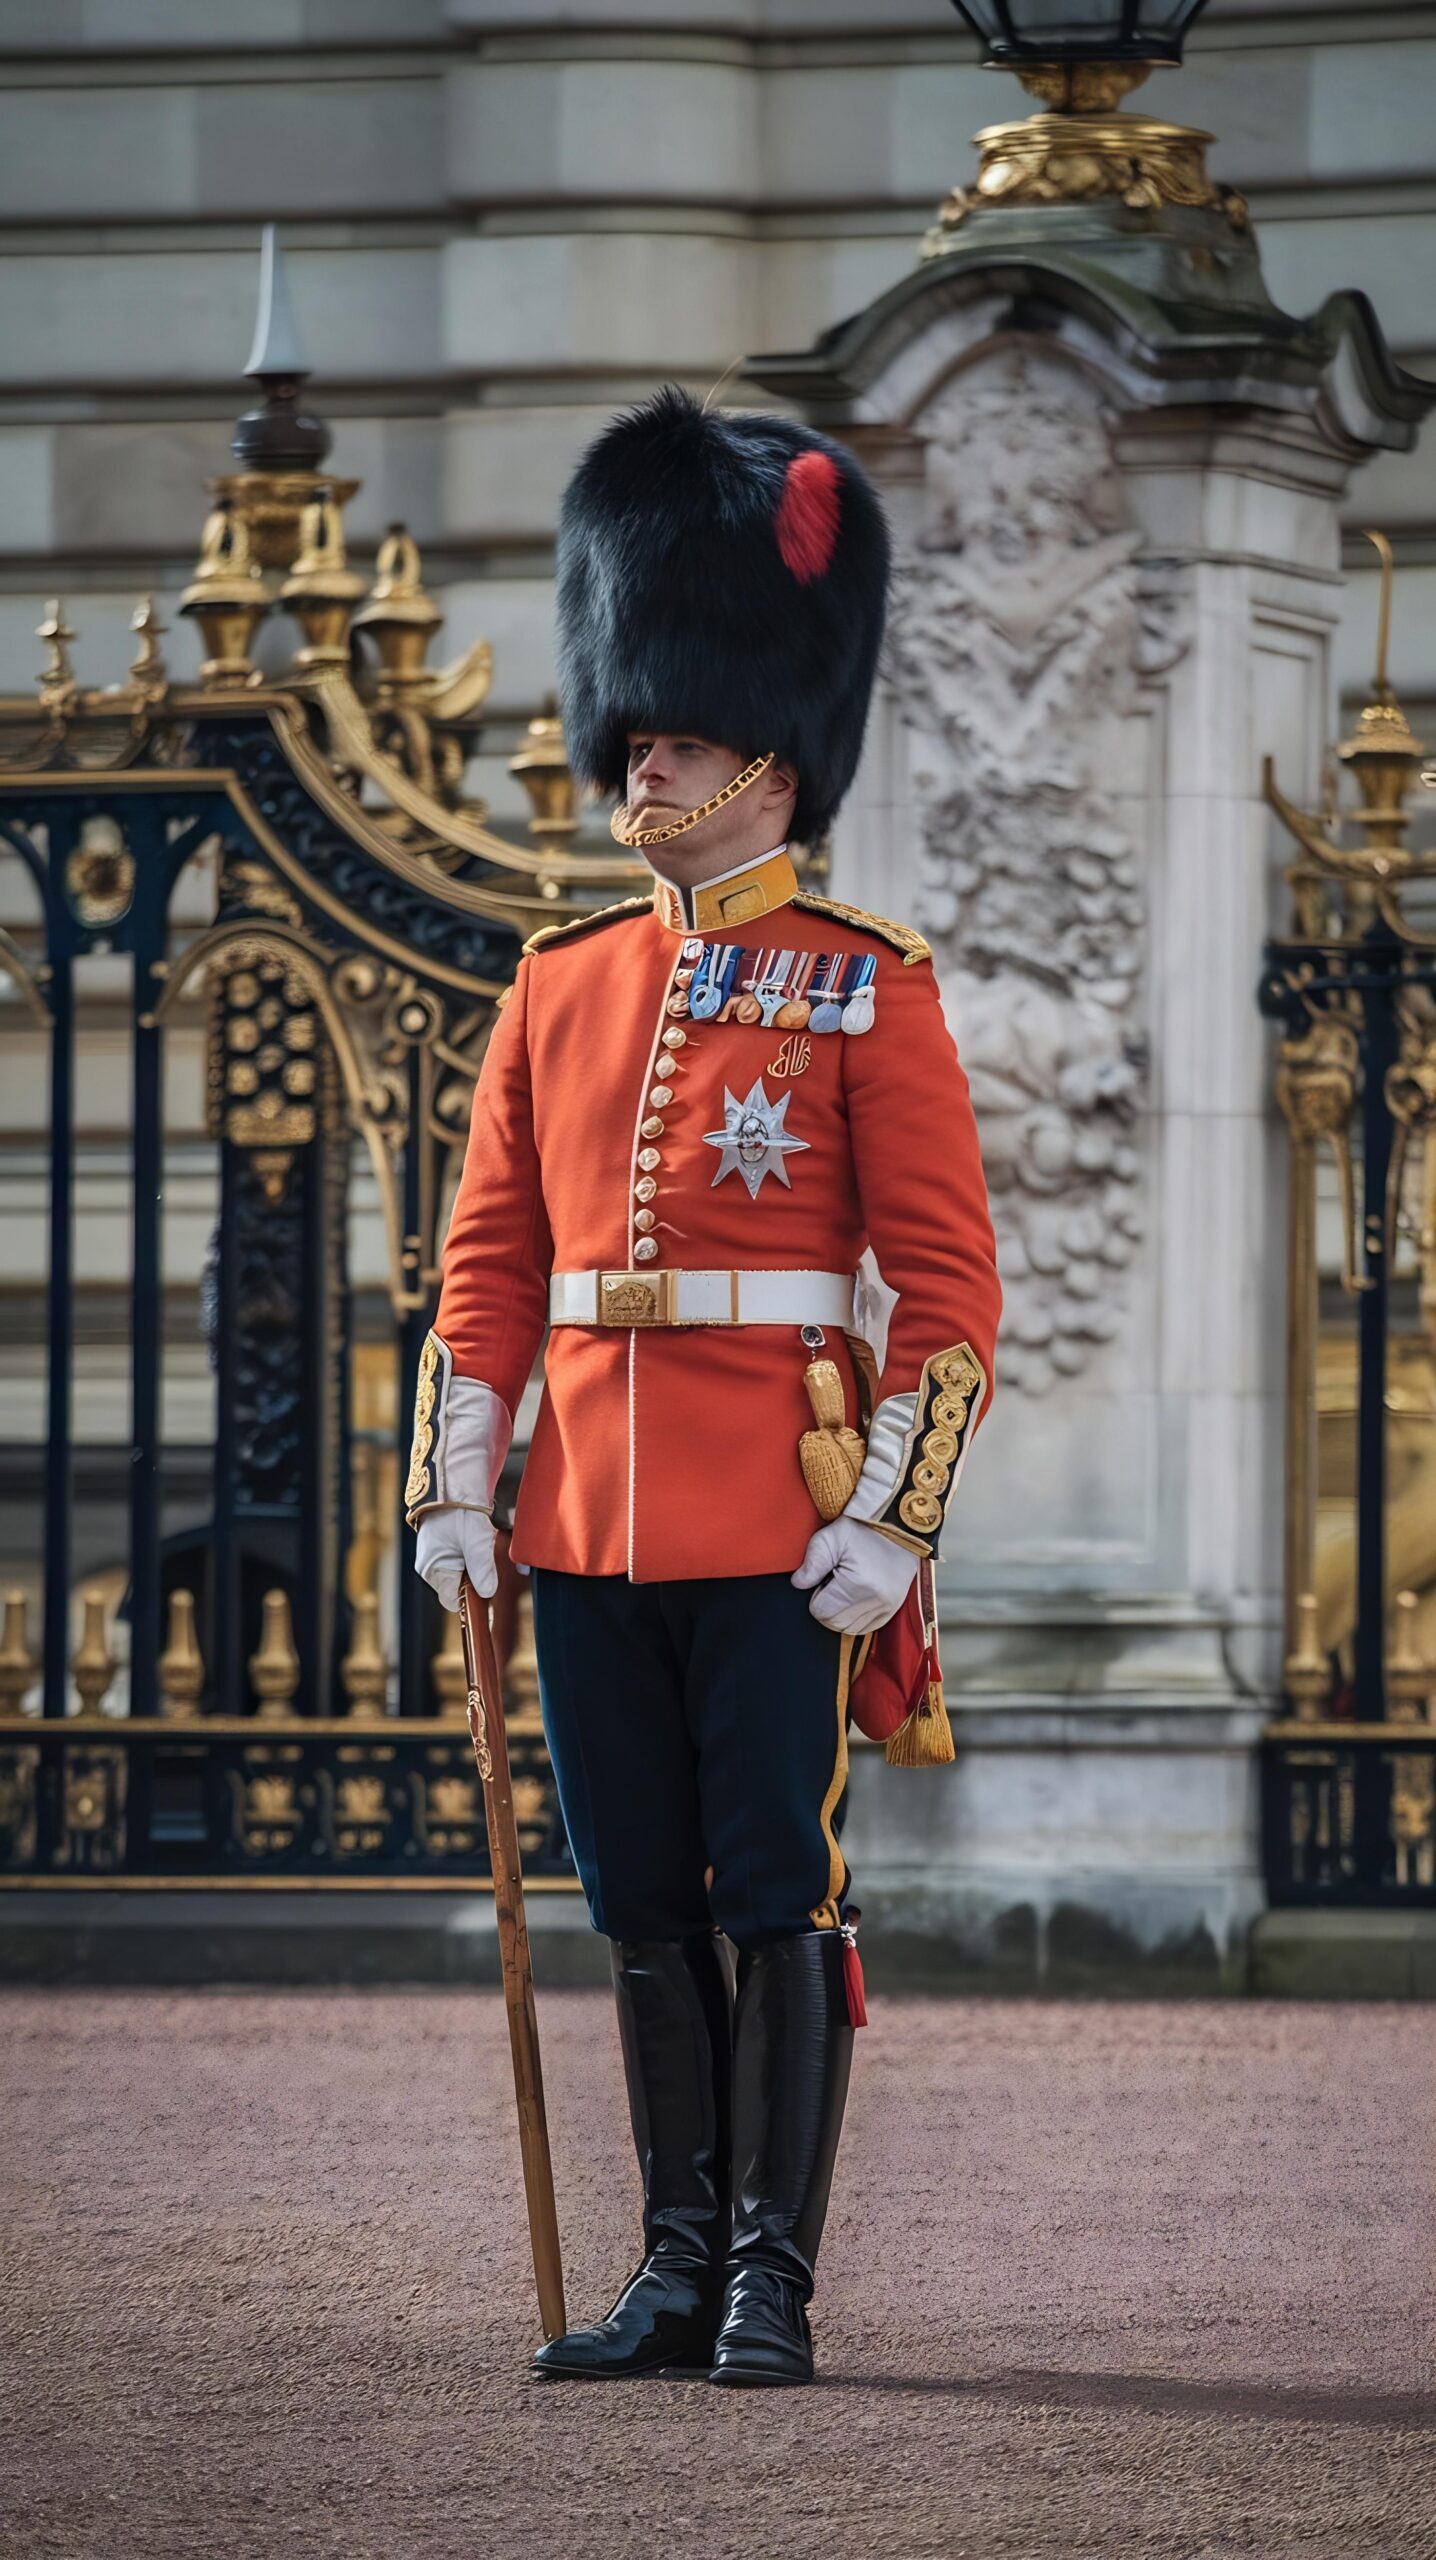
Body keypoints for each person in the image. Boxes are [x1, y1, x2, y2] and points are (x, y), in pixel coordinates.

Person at [409, 386, 1001, 2387]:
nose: (632, 758)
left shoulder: (864, 981)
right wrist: (456, 1472)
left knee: (775, 1885)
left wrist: (885, 1514)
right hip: (578, 1512)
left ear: (765, 751)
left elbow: (947, 1284)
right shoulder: (559, 987)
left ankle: (771, 2269)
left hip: (774, 1512)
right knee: (637, 1893)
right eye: (632, 726)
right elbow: (490, 1259)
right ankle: (672, 2259)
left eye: (666, 732)